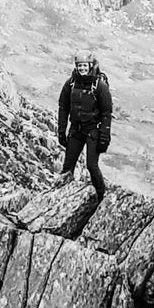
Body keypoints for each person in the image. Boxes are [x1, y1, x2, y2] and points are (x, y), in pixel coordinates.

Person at [57, 51, 112, 201]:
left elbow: (107, 113)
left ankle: (101, 197)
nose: (82, 68)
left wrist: (104, 136)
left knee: (91, 166)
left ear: (90, 65)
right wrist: (61, 130)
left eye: (84, 65)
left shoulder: (99, 86)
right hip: (76, 130)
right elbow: (63, 106)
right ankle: (59, 197)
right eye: (79, 66)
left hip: (93, 130)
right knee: (68, 166)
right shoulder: (71, 83)